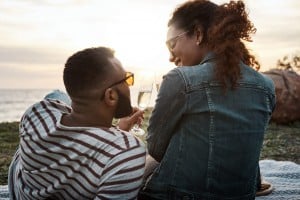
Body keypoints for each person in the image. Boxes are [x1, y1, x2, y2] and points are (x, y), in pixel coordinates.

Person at [138, 0, 275, 199]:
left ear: (198, 33)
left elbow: (156, 150)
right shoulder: (266, 86)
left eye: (172, 44)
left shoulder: (181, 79)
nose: (170, 57)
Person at [8, 47, 146, 200]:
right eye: (127, 79)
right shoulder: (128, 151)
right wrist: (119, 134)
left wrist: (117, 130)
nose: (129, 85)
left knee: (56, 95)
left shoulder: (37, 112)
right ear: (111, 96)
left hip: (21, 181)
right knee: (58, 96)